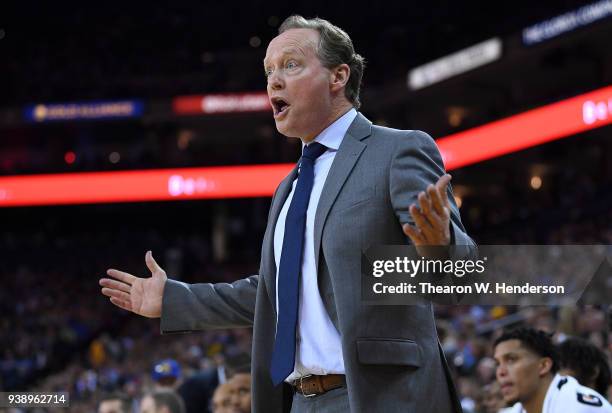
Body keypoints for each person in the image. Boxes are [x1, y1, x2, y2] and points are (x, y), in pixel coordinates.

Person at [100, 14, 475, 412]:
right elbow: (274, 293)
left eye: (291, 65)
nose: (273, 82)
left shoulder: (395, 150)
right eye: (268, 72)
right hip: (300, 401)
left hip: (380, 396)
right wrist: (175, 299)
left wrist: (439, 247)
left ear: (338, 76)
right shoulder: (289, 187)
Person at [493, 327, 612, 413]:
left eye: (511, 360)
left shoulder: (579, 407)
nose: (500, 372)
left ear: (544, 365)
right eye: (498, 363)